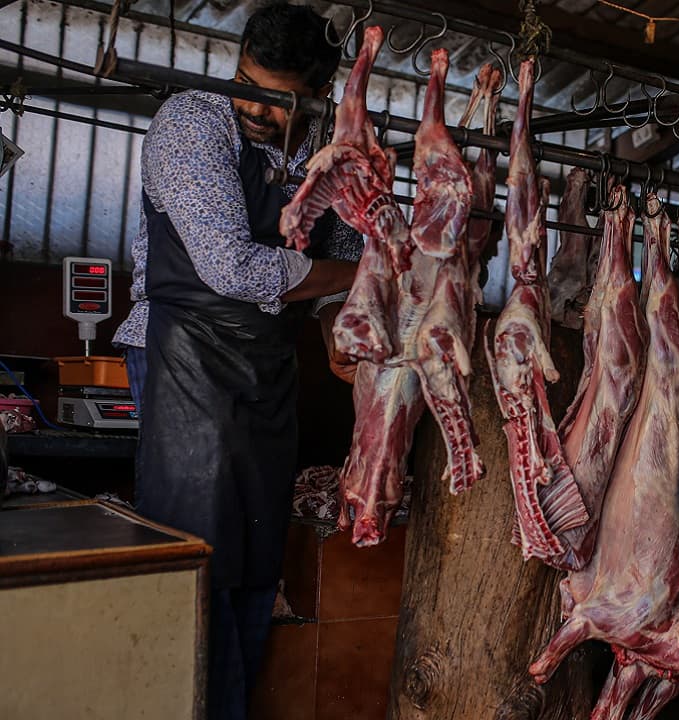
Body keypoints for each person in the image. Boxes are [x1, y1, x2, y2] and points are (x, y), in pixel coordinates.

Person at [112, 4, 362, 718]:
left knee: (258, 557)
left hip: (265, 369)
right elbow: (232, 268)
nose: (254, 105)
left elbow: (338, 259)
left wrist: (335, 327)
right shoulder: (193, 122)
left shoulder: (328, 143)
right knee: (198, 555)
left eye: (278, 96)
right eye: (247, 82)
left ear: (316, 93)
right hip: (183, 356)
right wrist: (372, 276)